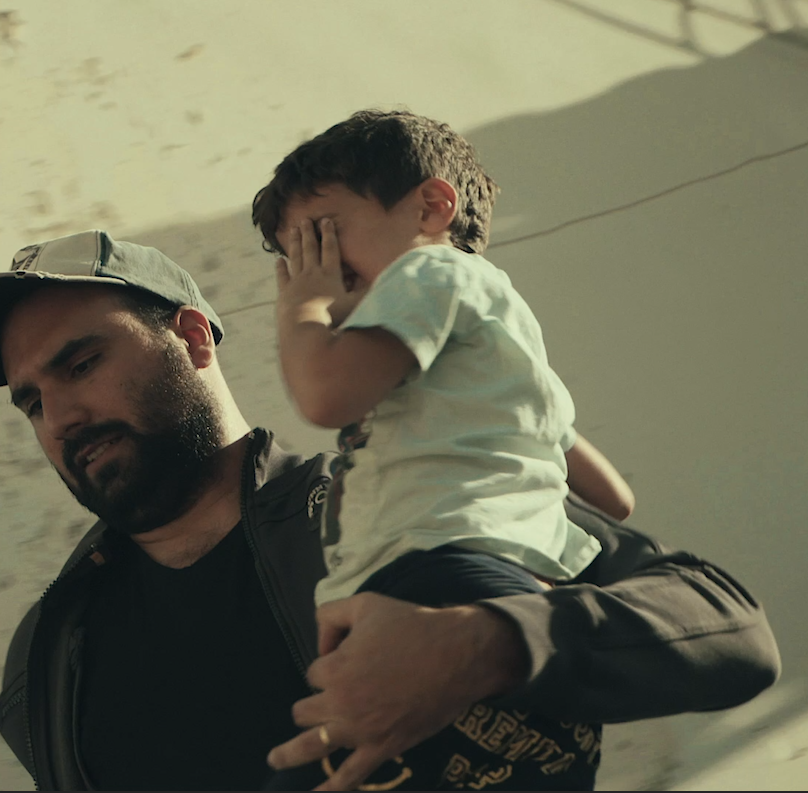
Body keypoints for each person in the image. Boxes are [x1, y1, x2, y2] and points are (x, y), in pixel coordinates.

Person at [0, 229, 780, 791]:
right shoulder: (45, 658)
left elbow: (727, 626)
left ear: (190, 338)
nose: (60, 416)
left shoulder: (401, 493)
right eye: (30, 402)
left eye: (80, 364)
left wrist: (490, 642)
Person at [254, 110, 638, 788]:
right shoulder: (499, 345)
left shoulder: (427, 272)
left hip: (434, 575)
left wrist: (300, 311)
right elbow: (614, 498)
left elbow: (323, 398)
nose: (320, 272)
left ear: (432, 208)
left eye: (324, 238)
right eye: (300, 259)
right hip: (517, 591)